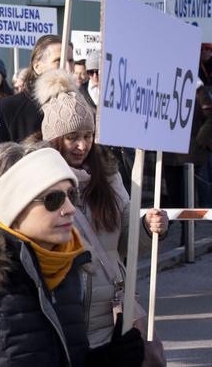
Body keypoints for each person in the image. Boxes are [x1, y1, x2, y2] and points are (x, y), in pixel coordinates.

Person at [0, 143, 145, 367]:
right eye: (54, 199)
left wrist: (111, 359)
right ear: (14, 207)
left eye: (71, 195)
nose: (70, 208)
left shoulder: (66, 270)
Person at [34, 70, 169, 349]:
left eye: (88, 135)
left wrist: (149, 227)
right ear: (54, 139)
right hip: (61, 322)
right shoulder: (37, 183)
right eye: (72, 137)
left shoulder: (109, 176)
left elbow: (129, 240)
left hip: (111, 319)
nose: (82, 145)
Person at [0, 35, 74, 164]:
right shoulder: (7, 109)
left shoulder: (80, 107)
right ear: (37, 66)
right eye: (59, 60)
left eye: (71, 61)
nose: (68, 68)